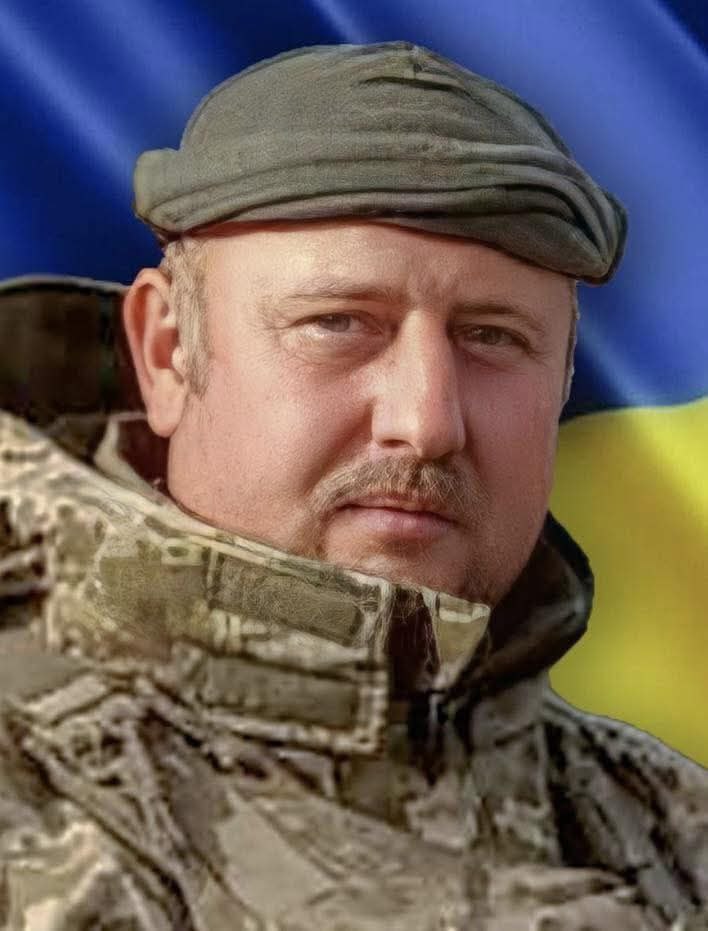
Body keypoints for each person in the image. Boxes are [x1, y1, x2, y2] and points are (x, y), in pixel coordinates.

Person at [0, 41, 705, 930]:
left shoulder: (670, 830)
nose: (428, 421)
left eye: (493, 337)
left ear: (562, 378)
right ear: (169, 352)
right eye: (338, 323)